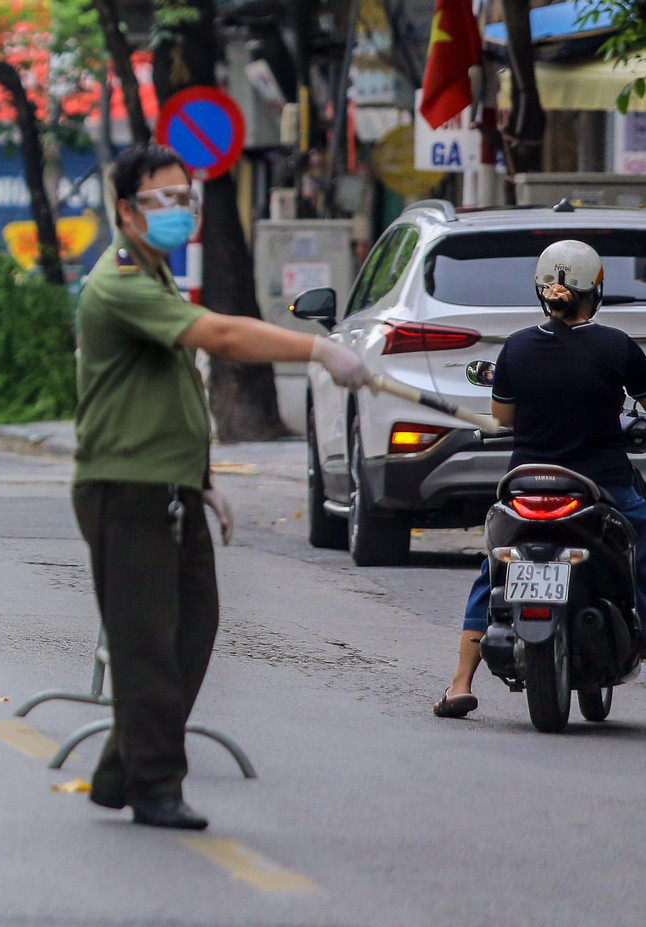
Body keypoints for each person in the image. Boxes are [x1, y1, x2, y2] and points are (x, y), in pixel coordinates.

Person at [74, 144, 371, 830]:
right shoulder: (119, 282)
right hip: (126, 487)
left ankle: (123, 768)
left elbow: (164, 392)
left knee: (193, 629)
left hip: (170, 485)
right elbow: (221, 336)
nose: (181, 211)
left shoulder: (156, 277)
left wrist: (202, 479)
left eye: (187, 199)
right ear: (126, 210)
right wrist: (317, 348)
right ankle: (153, 785)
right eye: (164, 200)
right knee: (147, 642)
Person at [435, 240, 646, 718]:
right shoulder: (617, 346)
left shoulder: (516, 347)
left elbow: (503, 416)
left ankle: (459, 684)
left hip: (527, 486)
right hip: (602, 485)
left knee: (493, 568)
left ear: (541, 291)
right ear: (596, 290)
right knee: (641, 547)